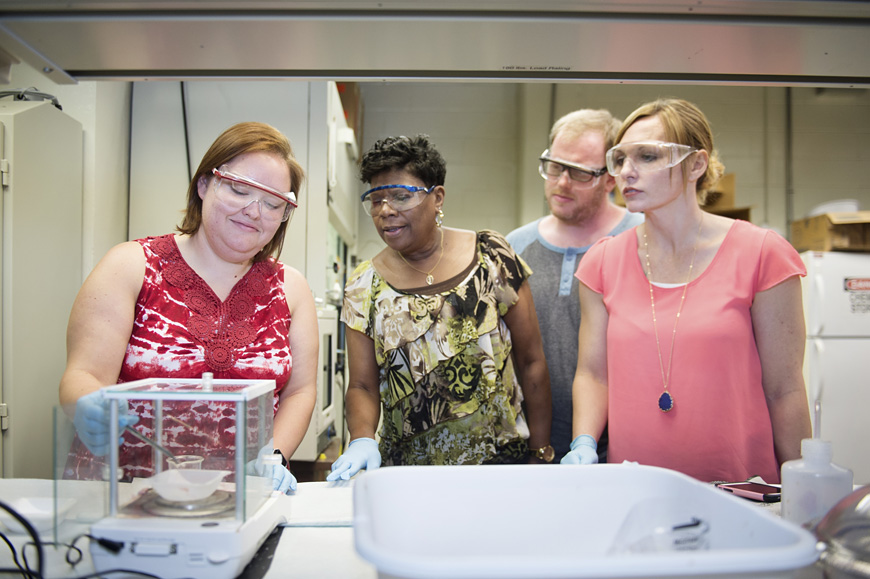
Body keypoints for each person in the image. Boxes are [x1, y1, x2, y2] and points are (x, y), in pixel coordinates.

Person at [562, 98, 812, 484]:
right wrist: (583, 441)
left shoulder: (762, 254)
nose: (627, 172)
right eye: (620, 158)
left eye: (647, 156)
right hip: (635, 487)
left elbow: (785, 389)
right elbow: (594, 375)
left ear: (696, 164)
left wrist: (803, 485)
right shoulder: (602, 263)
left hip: (741, 488)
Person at [60, 121, 318, 493]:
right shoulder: (131, 265)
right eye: (240, 189)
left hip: (241, 494)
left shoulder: (291, 288)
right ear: (204, 185)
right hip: (122, 490)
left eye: (273, 202)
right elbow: (82, 375)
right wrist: (87, 406)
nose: (254, 210)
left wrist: (273, 456)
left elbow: (299, 392)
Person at [327, 134, 551, 480]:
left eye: (400, 196)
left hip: (503, 467)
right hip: (408, 474)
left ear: (438, 197)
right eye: (375, 199)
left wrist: (541, 451)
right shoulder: (363, 285)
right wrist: (361, 439)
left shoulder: (491, 256)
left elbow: (531, 359)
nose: (386, 210)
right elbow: (362, 386)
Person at [507, 109, 644, 463]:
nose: (562, 182)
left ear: (611, 178)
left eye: (580, 172)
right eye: (554, 166)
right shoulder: (515, 248)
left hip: (620, 446)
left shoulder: (643, 240)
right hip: (530, 444)